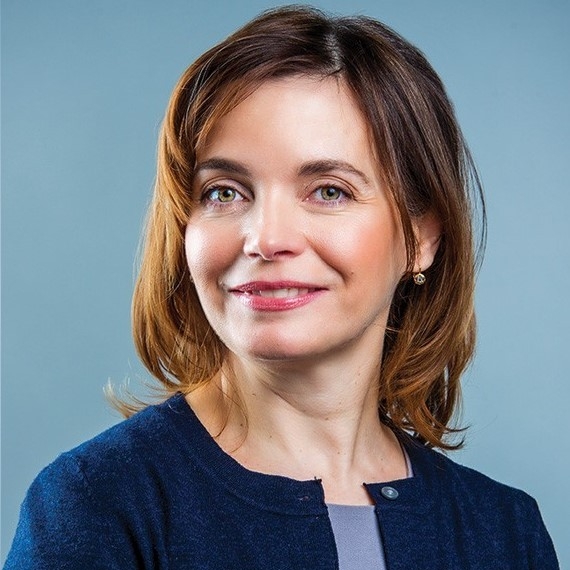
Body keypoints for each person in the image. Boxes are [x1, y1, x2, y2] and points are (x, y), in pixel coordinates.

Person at [5, 6, 558, 569]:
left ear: (421, 239)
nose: (266, 239)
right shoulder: (95, 506)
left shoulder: (507, 532)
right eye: (224, 192)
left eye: (329, 191)